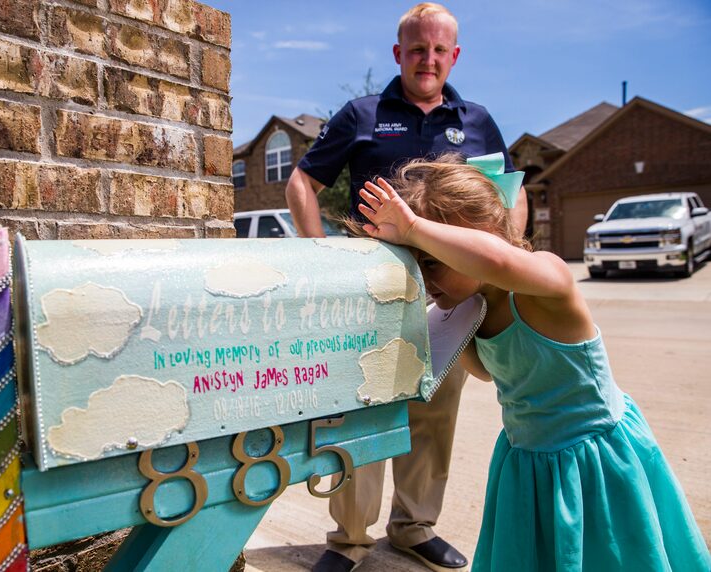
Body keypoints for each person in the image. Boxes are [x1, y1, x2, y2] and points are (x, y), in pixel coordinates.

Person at [351, 152, 711, 572]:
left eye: (431, 261)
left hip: (593, 460)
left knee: (610, 556)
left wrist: (414, 227)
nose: (425, 280)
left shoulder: (546, 283)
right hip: (528, 459)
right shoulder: (472, 307)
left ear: (486, 235)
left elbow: (499, 262)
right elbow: (487, 372)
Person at [286, 4, 526, 571]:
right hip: (371, 291)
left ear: (455, 55)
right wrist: (320, 254)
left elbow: (507, 198)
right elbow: (302, 180)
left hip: (453, 295)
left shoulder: (479, 121)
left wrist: (505, 263)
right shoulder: (362, 113)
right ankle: (348, 539)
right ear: (399, 53)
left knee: (434, 413)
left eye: (440, 50)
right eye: (418, 49)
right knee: (363, 411)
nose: (429, 59)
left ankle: (415, 527)